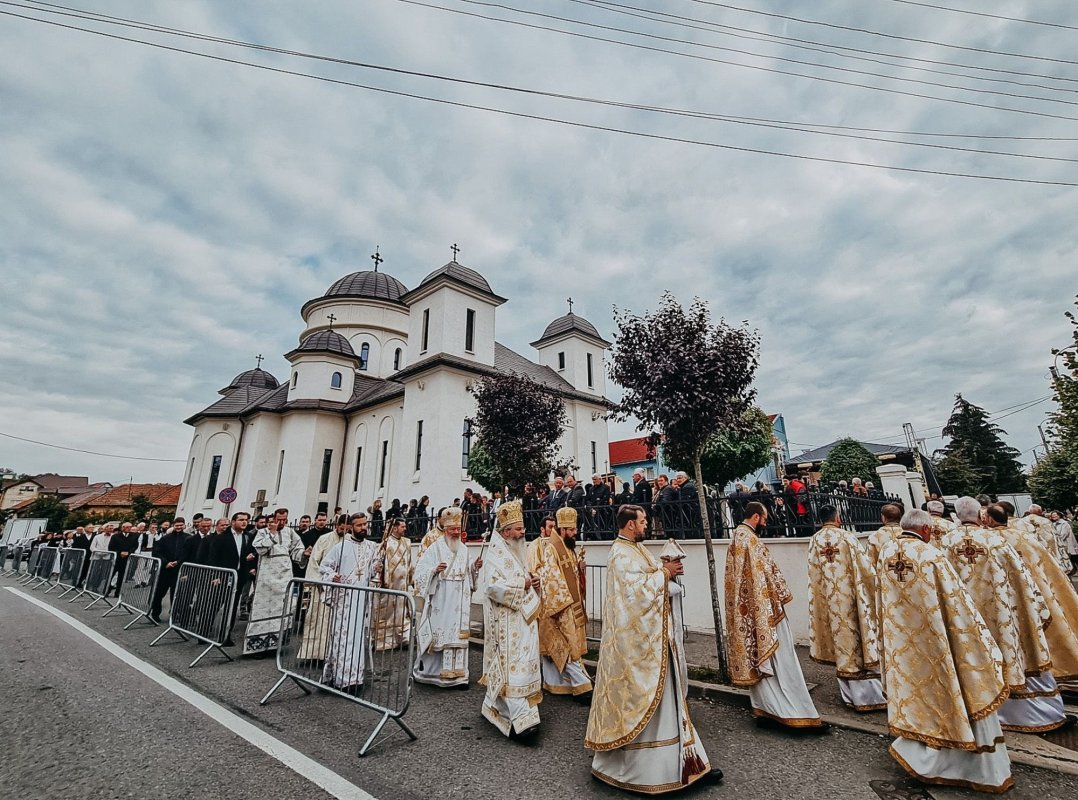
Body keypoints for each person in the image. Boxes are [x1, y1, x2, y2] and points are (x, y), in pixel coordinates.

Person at [877, 509, 1013, 793]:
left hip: (903, 644)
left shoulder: (886, 553)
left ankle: (919, 749)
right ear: (926, 531)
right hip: (938, 642)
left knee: (917, 697)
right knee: (956, 690)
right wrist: (983, 643)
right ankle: (963, 764)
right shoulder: (931, 556)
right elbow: (958, 604)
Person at [586, 504, 717, 792]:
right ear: (630, 524)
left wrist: (665, 569)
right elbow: (635, 596)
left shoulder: (637, 548)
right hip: (634, 650)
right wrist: (665, 574)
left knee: (670, 705)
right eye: (643, 521)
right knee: (644, 706)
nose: (647, 524)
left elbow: (647, 579)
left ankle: (687, 763)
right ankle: (645, 772)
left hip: (655, 642)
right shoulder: (619, 554)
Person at [943, 498, 1061, 734]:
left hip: (964, 615)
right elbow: (1022, 578)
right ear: (980, 516)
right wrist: (1036, 607)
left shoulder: (945, 542)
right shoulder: (995, 540)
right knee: (1011, 653)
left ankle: (980, 706)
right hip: (1000, 613)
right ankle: (1024, 714)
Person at [725, 501, 825, 731]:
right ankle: (793, 712)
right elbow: (762, 577)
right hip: (765, 612)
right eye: (765, 517)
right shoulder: (748, 540)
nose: (767, 521)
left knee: (766, 660)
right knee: (782, 659)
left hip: (753, 611)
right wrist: (775, 601)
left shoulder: (738, 537)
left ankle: (766, 708)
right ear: (757, 517)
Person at [991, 503, 1078, 720]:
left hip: (997, 607)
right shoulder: (1025, 538)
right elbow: (1048, 567)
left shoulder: (986, 542)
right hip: (1031, 601)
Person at [807, 505, 885, 712]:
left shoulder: (814, 541)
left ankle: (850, 697)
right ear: (838, 518)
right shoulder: (848, 538)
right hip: (852, 600)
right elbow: (866, 570)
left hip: (831, 605)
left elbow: (813, 577)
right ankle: (870, 698)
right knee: (860, 645)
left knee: (842, 648)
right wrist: (873, 591)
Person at [478, 500, 542, 737]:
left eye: (522, 527)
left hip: (523, 620)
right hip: (506, 621)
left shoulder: (516, 550)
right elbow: (492, 587)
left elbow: (523, 577)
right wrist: (522, 584)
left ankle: (493, 706)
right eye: (518, 528)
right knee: (511, 668)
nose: (523, 531)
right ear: (506, 532)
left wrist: (534, 582)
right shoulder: (495, 554)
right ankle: (521, 719)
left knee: (521, 667)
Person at [527, 506, 591, 696]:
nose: (574, 532)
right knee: (563, 645)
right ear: (562, 530)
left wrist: (580, 569)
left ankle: (557, 684)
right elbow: (551, 578)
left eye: (575, 528)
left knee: (562, 646)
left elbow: (570, 575)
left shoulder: (569, 548)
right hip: (561, 605)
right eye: (571, 530)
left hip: (572, 604)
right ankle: (581, 686)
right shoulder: (551, 549)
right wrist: (563, 604)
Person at [412, 507, 475, 688]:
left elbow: (468, 573)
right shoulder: (434, 548)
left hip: (459, 602)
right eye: (452, 529)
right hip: (441, 599)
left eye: (458, 529)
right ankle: (432, 674)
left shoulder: (464, 549)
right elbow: (420, 572)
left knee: (457, 636)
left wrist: (475, 568)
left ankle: (459, 677)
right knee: (439, 636)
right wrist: (433, 571)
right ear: (445, 530)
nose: (456, 533)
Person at [319, 512, 382, 692]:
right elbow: (325, 567)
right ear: (351, 527)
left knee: (357, 639)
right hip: (344, 600)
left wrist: (376, 569)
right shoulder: (341, 546)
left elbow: (370, 572)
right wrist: (334, 577)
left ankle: (355, 678)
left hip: (361, 600)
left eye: (365, 524)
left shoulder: (372, 547)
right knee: (343, 639)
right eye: (359, 525)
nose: (363, 528)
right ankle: (341, 678)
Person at [244, 515, 304, 655]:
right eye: (279, 520)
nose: (281, 522)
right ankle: (257, 646)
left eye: (284, 520)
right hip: (267, 577)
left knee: (282, 609)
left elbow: (296, 549)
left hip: (284, 575)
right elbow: (260, 549)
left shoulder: (290, 532)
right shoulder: (263, 532)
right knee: (263, 610)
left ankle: (275, 644)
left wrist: (304, 553)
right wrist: (271, 534)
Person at [298, 514, 349, 662]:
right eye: (342, 528)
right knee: (318, 620)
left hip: (341, 589)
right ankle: (314, 653)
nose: (344, 532)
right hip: (322, 588)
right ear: (336, 526)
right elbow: (314, 562)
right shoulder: (324, 539)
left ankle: (333, 653)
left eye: (347, 529)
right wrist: (320, 582)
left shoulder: (349, 541)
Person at [207, 511, 259, 647]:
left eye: (246, 520)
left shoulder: (247, 537)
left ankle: (226, 635)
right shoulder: (221, 537)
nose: (244, 522)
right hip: (223, 576)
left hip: (239, 576)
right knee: (215, 605)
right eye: (241, 520)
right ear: (233, 521)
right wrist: (215, 575)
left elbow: (249, 553)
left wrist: (250, 563)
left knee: (232, 606)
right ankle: (205, 631)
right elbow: (213, 557)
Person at [372, 517, 414, 651]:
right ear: (394, 528)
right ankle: (383, 641)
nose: (405, 528)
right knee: (386, 614)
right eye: (402, 526)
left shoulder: (407, 542)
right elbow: (379, 562)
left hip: (402, 585)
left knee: (402, 613)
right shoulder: (385, 543)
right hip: (389, 585)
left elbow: (410, 562)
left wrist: (412, 579)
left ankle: (403, 638)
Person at [149, 522, 190, 624]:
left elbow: (188, 553)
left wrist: (179, 562)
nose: (179, 527)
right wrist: (165, 563)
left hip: (179, 570)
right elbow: (157, 552)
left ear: (184, 526)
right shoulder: (165, 538)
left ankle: (175, 614)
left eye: (181, 525)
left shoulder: (188, 538)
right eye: (177, 525)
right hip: (166, 569)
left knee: (176, 594)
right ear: (173, 526)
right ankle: (155, 614)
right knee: (159, 593)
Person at [1022, 505, 1071, 573]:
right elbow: (1053, 538)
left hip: (1030, 550)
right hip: (1046, 549)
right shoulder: (1045, 521)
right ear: (1040, 511)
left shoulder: (1022, 521)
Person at [108, 522, 141, 597]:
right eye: (126, 527)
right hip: (117, 558)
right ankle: (107, 589)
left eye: (129, 527)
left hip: (126, 559)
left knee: (121, 576)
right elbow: (111, 547)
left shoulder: (134, 536)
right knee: (111, 575)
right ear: (122, 527)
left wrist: (128, 552)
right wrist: (120, 552)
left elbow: (135, 546)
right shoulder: (115, 536)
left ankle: (118, 592)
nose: (128, 528)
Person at [1049, 510, 1078, 574]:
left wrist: (1055, 537)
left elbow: (1063, 535)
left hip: (1067, 545)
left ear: (1059, 515)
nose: (1054, 517)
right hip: (1060, 546)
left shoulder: (1064, 524)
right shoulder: (1053, 524)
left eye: (1055, 515)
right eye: (1052, 516)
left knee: (1072, 560)